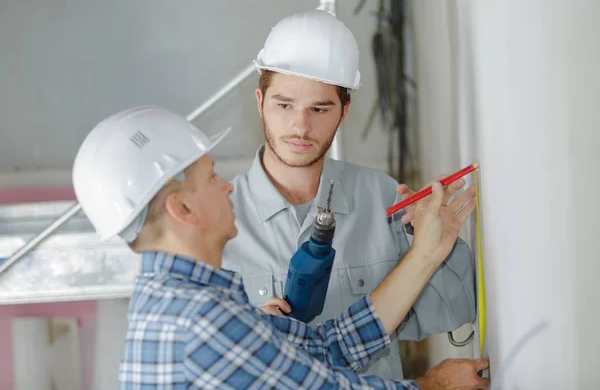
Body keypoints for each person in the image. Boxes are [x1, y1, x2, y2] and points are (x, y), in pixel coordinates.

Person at [72, 105, 489, 389]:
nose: (227, 186)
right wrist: (430, 385)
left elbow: (327, 349)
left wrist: (427, 251)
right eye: (211, 176)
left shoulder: (186, 303)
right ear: (182, 208)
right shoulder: (200, 321)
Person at [222, 9, 479, 381]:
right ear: (260, 101)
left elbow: (454, 311)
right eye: (284, 104)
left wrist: (431, 238)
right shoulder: (218, 226)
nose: (300, 125)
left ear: (343, 112)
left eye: (319, 108)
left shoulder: (383, 199)